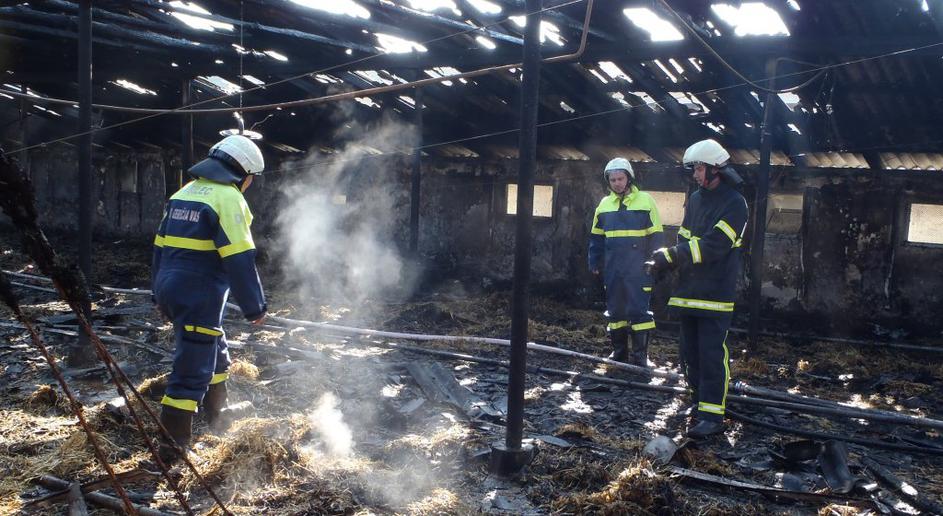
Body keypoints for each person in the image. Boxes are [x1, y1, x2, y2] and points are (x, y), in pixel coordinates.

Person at [151, 134, 267, 461]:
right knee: (191, 369)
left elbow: (159, 248)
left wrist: (157, 295)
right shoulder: (228, 198)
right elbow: (239, 258)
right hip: (199, 292)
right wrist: (255, 307)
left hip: (169, 285)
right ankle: (172, 450)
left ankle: (216, 415)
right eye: (251, 180)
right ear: (244, 174)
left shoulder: (183, 193)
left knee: (214, 346)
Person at [646, 139, 748, 439]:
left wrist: (674, 256)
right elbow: (684, 239)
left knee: (711, 354)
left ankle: (712, 415)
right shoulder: (697, 199)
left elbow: (716, 246)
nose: (695, 175)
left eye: (699, 168)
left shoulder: (735, 203)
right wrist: (666, 263)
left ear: (716, 169)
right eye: (694, 169)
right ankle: (697, 401)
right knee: (689, 353)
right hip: (689, 290)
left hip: (715, 294)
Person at [588, 157, 663, 366]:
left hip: (638, 268)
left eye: (620, 178)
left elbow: (656, 236)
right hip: (613, 268)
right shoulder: (603, 205)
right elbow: (596, 238)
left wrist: (655, 262)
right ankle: (619, 353)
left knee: (639, 310)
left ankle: (640, 357)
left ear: (629, 178)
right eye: (612, 180)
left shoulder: (646, 201)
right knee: (615, 311)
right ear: (608, 182)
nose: (617, 183)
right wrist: (594, 262)